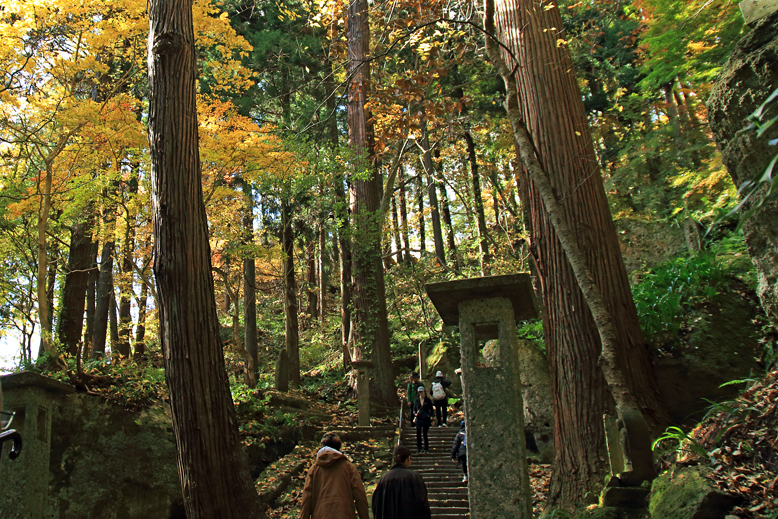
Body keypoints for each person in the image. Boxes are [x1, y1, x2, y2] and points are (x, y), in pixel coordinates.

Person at [299, 433, 370, 519]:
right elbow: (360, 497)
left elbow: (306, 500)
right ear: (339, 448)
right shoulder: (349, 468)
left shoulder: (313, 470)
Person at [371, 445, 431, 519]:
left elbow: (377, 506)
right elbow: (422, 504)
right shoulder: (414, 477)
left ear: (394, 460)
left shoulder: (383, 479)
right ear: (408, 459)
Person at [412, 386, 433, 454]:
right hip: (419, 419)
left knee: (425, 433)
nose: (421, 393)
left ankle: (426, 448)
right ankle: (419, 448)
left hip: (426, 419)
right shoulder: (417, 401)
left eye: (422, 392)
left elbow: (432, 410)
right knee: (418, 433)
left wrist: (428, 415)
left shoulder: (428, 400)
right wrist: (415, 414)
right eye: (419, 392)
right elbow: (414, 409)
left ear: (424, 392)